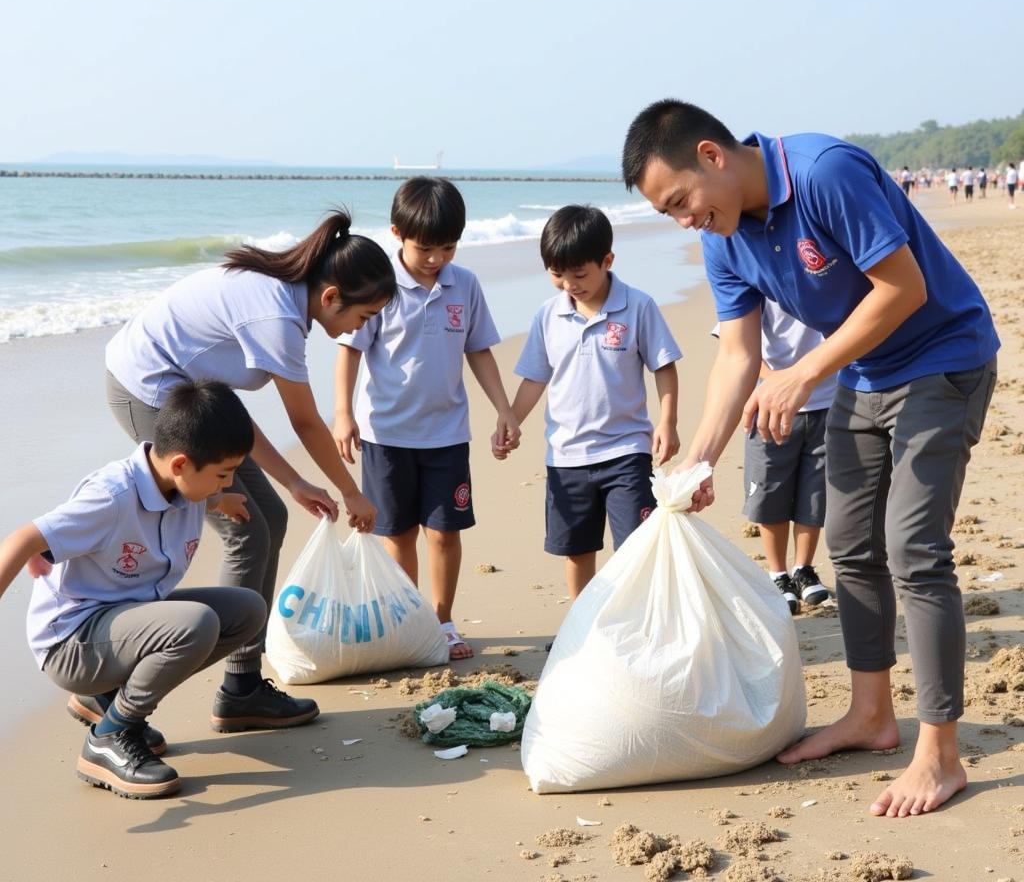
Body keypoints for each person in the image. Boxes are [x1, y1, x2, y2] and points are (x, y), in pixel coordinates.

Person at [623, 99, 998, 818]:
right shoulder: (722, 236)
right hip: (862, 374)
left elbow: (905, 287)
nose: (684, 220)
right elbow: (737, 357)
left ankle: (940, 751)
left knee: (914, 549)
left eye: (681, 202)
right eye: (668, 214)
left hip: (944, 356)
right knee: (853, 547)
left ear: (711, 155)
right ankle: (871, 715)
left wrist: (802, 373)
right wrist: (699, 459)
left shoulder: (824, 172)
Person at [104, 210, 396, 729]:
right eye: (365, 315)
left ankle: (242, 687)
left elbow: (229, 413)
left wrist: (297, 482)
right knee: (246, 533)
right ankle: (120, 692)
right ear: (331, 296)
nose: (362, 327)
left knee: (271, 518)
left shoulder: (285, 298)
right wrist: (352, 493)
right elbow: (307, 422)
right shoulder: (278, 318)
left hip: (189, 395)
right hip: (146, 392)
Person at [0, 381, 269, 799]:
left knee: (247, 610)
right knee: (194, 624)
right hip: (71, 643)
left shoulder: (184, 486)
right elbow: (19, 541)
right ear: (180, 463)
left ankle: (105, 698)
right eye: (223, 475)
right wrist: (39, 549)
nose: (228, 483)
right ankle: (110, 735)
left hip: (122, 626)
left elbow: (196, 496)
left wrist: (221, 502)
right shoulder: (111, 497)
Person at [333, 178, 519, 660]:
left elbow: (479, 351)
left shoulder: (466, 285)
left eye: (448, 247)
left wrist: (503, 409)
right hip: (386, 434)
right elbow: (349, 352)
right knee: (397, 535)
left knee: (444, 532)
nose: (437, 258)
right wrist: (342, 414)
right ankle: (408, 622)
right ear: (397, 234)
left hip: (447, 434)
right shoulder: (380, 287)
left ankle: (442, 620)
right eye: (425, 248)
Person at [501, 205, 681, 599]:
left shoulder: (638, 306)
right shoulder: (548, 316)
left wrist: (667, 422)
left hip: (626, 451)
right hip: (566, 457)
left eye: (580, 274)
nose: (569, 284)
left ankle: (635, 620)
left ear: (607, 261)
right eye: (557, 274)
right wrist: (511, 419)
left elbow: (663, 367)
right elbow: (535, 378)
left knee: (636, 546)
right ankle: (582, 624)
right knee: (576, 551)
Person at [716, 300, 834, 614]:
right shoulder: (755, 281)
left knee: (815, 493)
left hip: (827, 401)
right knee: (772, 491)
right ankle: (777, 573)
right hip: (770, 405)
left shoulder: (826, 274)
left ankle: (804, 569)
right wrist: (778, 381)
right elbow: (736, 349)